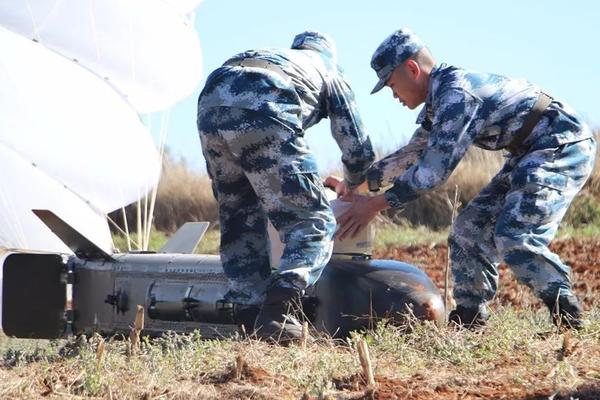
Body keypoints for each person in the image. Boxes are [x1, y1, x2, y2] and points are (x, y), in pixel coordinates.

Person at [330, 28, 596, 330]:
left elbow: (432, 171)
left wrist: (375, 204)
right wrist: (356, 185)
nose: (394, 96)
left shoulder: (457, 96)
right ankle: (470, 316)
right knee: (468, 231)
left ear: (412, 69)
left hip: (561, 144)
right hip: (527, 152)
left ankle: (567, 312)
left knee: (515, 235)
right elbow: (415, 152)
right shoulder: (441, 100)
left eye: (392, 85)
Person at [197, 31, 374, 341]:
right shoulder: (327, 68)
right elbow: (357, 145)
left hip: (212, 99)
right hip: (266, 99)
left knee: (240, 217)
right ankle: (280, 311)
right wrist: (353, 182)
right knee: (314, 221)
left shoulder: (282, 57)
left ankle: (250, 316)